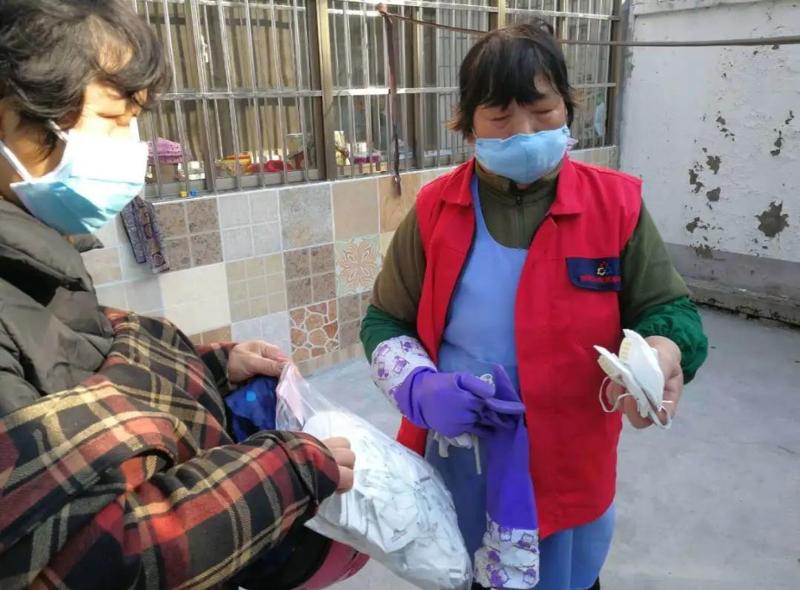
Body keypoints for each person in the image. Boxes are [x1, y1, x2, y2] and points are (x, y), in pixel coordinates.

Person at [0, 1, 356, 588]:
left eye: (134, 120)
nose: (131, 147)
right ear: (11, 116)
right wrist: (288, 469)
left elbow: (82, 372)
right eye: (110, 118)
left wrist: (209, 369)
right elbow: (96, 557)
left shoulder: (38, 256)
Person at [361, 21, 709, 590]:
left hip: (570, 465)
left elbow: (671, 311)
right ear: (468, 125)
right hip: (462, 460)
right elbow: (384, 321)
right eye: (500, 118)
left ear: (568, 107)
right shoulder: (433, 211)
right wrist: (418, 386)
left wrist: (661, 353)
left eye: (542, 111)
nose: (524, 132)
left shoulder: (615, 205)